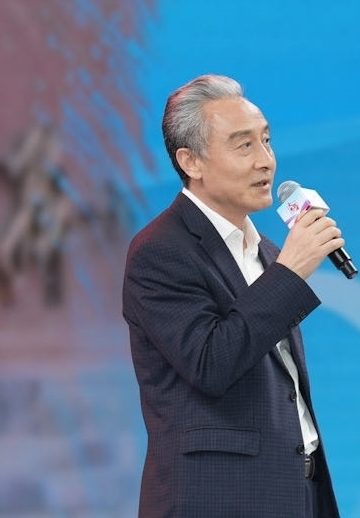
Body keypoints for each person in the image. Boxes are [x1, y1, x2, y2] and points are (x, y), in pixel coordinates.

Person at [122, 74, 344, 517]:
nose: (266, 161)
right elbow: (211, 363)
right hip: (219, 499)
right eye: (244, 146)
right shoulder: (160, 251)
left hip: (296, 492)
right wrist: (289, 273)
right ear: (191, 161)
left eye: (267, 141)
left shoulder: (266, 251)